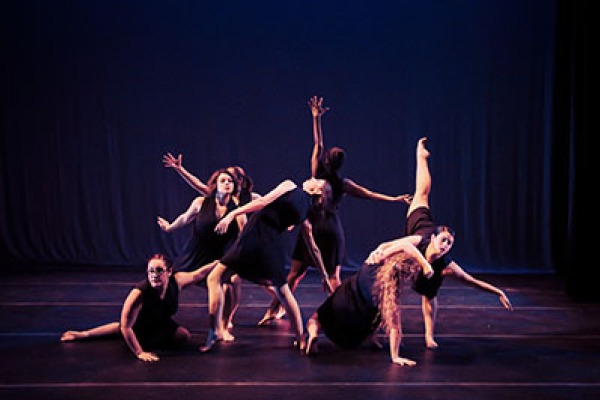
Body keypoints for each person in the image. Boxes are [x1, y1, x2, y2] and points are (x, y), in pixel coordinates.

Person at [259, 96, 412, 325]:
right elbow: (369, 193)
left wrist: (315, 119)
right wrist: (395, 199)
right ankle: (348, 314)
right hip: (331, 229)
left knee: (294, 274)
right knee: (333, 278)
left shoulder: (317, 175)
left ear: (325, 161)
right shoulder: (344, 184)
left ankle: (273, 311)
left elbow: (317, 145)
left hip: (313, 225)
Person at [367, 137, 514, 350]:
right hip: (419, 225)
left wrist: (498, 292)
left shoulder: (447, 265)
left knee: (429, 294)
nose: (446, 245)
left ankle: (429, 335)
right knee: (422, 193)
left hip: (429, 266)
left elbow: (472, 281)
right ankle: (421, 156)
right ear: (435, 239)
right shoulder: (420, 239)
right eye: (444, 240)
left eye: (450, 243)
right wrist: (380, 250)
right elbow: (393, 243)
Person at [201, 177, 335, 352]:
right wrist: (324, 276)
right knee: (283, 292)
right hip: (272, 246)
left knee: (214, 278)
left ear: (317, 191)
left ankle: (214, 332)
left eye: (316, 180)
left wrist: (233, 213)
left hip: (254, 235)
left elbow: (263, 202)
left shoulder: (290, 185)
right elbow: (313, 248)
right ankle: (301, 338)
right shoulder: (305, 213)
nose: (311, 178)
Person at [60, 254, 219, 362]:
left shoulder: (176, 281)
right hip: (140, 329)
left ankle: (154, 339)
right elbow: (126, 326)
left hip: (161, 323)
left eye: (159, 270)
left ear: (169, 272)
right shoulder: (138, 293)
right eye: (151, 271)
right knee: (121, 328)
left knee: (184, 336)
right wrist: (139, 352)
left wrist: (220, 263)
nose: (154, 274)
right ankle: (83, 334)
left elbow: (198, 274)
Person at [305, 244, 434, 366]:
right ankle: (371, 337)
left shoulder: (375, 260)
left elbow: (405, 245)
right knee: (379, 312)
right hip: (357, 323)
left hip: (343, 299)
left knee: (316, 318)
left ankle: (314, 334)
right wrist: (395, 356)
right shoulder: (389, 293)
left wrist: (422, 261)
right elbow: (395, 327)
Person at [157, 168, 246, 336]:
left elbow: (243, 238)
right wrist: (170, 227)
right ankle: (159, 316)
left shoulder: (238, 212)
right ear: (215, 185)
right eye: (223, 181)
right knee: (173, 282)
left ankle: (224, 325)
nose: (227, 183)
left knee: (231, 283)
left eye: (230, 181)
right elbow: (185, 217)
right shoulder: (201, 202)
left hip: (220, 256)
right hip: (196, 253)